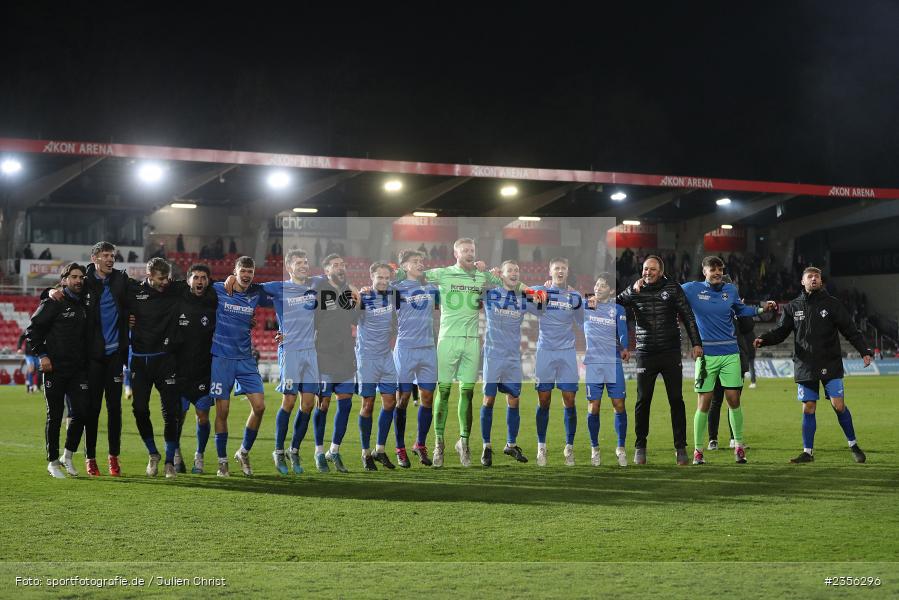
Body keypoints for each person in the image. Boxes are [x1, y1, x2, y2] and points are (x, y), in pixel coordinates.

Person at [401, 238, 510, 467]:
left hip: (472, 342)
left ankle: (464, 442)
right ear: (456, 253)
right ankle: (438, 443)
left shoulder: (480, 275)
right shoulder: (443, 273)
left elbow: (504, 279)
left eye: (472, 250)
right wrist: (374, 284)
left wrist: (494, 272)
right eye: (465, 250)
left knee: (467, 394)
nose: (470, 253)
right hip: (447, 341)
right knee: (443, 393)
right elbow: (412, 274)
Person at [755, 266, 873, 464]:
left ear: (821, 281)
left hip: (830, 362)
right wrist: (764, 339)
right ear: (803, 281)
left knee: (838, 405)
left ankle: (853, 445)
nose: (813, 279)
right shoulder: (793, 307)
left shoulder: (833, 304)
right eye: (809, 277)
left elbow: (850, 330)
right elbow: (780, 332)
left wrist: (864, 351)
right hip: (806, 365)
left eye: (816, 276)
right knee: (808, 408)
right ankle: (807, 452)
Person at [680, 257, 776, 465]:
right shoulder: (692, 289)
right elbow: (670, 291)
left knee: (734, 399)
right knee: (704, 403)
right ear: (704, 271)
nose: (717, 273)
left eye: (720, 269)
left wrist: (761, 310)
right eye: (712, 269)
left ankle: (739, 446)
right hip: (706, 356)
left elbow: (742, 310)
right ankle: (698, 450)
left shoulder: (730, 290)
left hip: (731, 353)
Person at [617, 255, 703, 465]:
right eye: (645, 269)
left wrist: (696, 343)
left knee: (676, 400)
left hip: (670, 352)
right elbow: (612, 304)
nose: (648, 272)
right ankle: (640, 446)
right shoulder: (634, 290)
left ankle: (680, 447)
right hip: (645, 354)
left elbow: (688, 316)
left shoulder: (673, 288)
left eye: (652, 269)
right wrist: (594, 299)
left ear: (661, 272)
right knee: (643, 400)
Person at [250, 249, 318, 476]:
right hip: (290, 350)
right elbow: (250, 288)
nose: (304, 265)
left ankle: (294, 450)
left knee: (308, 403)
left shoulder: (315, 284)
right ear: (289, 267)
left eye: (306, 262)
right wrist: (231, 280)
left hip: (311, 351)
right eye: (299, 263)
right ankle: (278, 450)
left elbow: (337, 282)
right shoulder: (278, 287)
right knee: (288, 401)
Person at [123, 258, 188, 478]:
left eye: (167, 278)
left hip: (165, 360)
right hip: (140, 361)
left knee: (172, 413)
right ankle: (153, 454)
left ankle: (169, 461)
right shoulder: (134, 291)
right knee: (140, 410)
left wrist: (230, 279)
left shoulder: (174, 289)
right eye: (161, 278)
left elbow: (204, 284)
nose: (165, 282)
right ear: (149, 275)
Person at [25, 262, 89, 478]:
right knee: (55, 416)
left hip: (78, 369)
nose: (78, 280)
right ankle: (52, 462)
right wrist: (42, 355)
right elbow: (32, 330)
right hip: (55, 368)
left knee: (81, 413)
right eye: (74, 277)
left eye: (81, 277)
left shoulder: (84, 302)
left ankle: (67, 456)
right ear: (64, 280)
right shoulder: (53, 302)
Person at [210, 256, 272, 476]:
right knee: (223, 411)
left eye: (250, 272)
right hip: (221, 358)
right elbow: (195, 287)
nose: (246, 275)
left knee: (260, 407)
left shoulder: (256, 293)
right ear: (235, 271)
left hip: (245, 358)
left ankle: (243, 451)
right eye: (242, 271)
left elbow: (281, 297)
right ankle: (222, 461)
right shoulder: (219, 289)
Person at [81, 242, 130, 476]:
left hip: (115, 356)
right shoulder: (84, 281)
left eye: (113, 255)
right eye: (106, 255)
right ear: (95, 258)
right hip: (93, 357)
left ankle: (113, 457)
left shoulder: (121, 279)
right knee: (92, 409)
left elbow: (145, 292)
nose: (111, 259)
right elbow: (62, 289)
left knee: (115, 409)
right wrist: (49, 292)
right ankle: (90, 457)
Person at [529, 258, 585, 466]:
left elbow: (583, 322)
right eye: (556, 268)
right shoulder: (542, 291)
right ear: (550, 272)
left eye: (563, 268)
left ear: (568, 272)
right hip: (545, 351)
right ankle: (541, 447)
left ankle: (569, 447)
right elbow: (522, 291)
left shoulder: (574, 296)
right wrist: (539, 288)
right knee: (544, 401)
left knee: (569, 400)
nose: (560, 271)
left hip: (567, 352)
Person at [390, 250, 439, 467]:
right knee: (402, 399)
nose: (420, 264)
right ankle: (399, 448)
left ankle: (420, 444)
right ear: (405, 266)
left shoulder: (431, 288)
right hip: (405, 349)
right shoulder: (395, 289)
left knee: (427, 398)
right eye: (415, 261)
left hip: (428, 349)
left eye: (421, 261)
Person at [311, 254, 359, 473]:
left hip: (346, 354)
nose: (341, 268)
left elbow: (355, 319)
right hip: (324, 354)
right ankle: (319, 452)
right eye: (336, 265)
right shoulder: (320, 290)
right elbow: (311, 321)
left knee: (346, 405)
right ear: (327, 270)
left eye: (343, 265)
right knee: (323, 404)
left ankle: (334, 450)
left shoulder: (349, 291)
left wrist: (359, 299)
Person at [480, 260, 530, 465]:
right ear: (501, 274)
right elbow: (474, 284)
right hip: (493, 355)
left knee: (514, 399)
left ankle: (511, 445)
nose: (514, 273)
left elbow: (542, 301)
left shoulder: (522, 298)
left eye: (517, 270)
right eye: (510, 270)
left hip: (512, 357)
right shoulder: (490, 293)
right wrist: (487, 274)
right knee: (489, 400)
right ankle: (486, 446)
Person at [169, 264, 217, 474]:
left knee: (203, 416)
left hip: (203, 371)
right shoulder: (177, 297)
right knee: (178, 416)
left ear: (208, 281)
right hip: (179, 371)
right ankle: (176, 453)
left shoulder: (214, 299)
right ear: (188, 280)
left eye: (203, 278)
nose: (199, 281)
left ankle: (199, 455)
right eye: (196, 277)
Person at [356, 263, 399, 471]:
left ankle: (379, 450)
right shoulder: (363, 298)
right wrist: (357, 296)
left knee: (390, 403)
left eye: (386, 278)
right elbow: (350, 317)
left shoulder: (392, 295)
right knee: (368, 404)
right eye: (379, 277)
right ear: (371, 277)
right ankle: (365, 453)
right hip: (367, 357)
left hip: (386, 356)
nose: (383, 281)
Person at [584, 273, 630, 467]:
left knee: (619, 404)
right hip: (593, 363)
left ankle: (620, 448)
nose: (598, 288)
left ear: (611, 290)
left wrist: (624, 347)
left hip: (613, 362)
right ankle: (595, 448)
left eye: (603, 285)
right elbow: (569, 303)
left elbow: (623, 331)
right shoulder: (587, 305)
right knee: (593, 406)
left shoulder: (618, 309)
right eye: (597, 284)